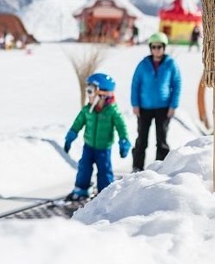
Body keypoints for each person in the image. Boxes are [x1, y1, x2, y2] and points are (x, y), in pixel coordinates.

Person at [63, 73, 131, 200]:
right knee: (84, 168)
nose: (88, 95)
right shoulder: (87, 110)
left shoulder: (112, 111)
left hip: (104, 148)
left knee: (104, 171)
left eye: (90, 91)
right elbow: (77, 124)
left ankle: (105, 194)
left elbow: (121, 128)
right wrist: (70, 136)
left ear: (103, 94)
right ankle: (81, 190)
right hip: (88, 146)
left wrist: (124, 141)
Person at [130, 32, 182, 172]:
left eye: (159, 47)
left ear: (164, 48)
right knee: (142, 139)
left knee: (161, 140)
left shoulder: (170, 64)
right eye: (154, 47)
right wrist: (135, 104)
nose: (156, 50)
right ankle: (137, 166)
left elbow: (177, 84)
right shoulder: (143, 64)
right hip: (144, 107)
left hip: (163, 107)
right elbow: (135, 84)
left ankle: (161, 167)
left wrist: (173, 105)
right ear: (150, 48)